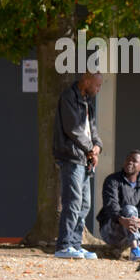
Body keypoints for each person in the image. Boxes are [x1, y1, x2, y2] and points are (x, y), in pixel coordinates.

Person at [52, 71, 103, 259]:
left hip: (85, 158)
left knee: (85, 204)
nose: (98, 89)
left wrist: (97, 146)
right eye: (97, 85)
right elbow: (73, 128)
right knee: (72, 202)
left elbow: (92, 128)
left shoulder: (87, 100)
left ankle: (75, 244)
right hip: (71, 157)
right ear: (87, 81)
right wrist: (91, 149)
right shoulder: (68, 97)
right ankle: (63, 246)